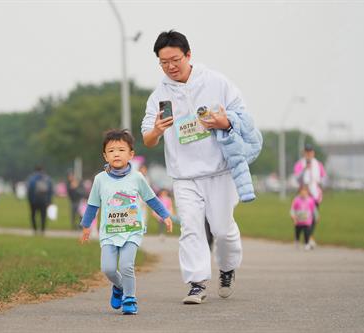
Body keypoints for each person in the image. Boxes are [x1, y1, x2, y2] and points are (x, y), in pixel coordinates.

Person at [141, 30, 262, 304]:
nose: (170, 66)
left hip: (219, 171)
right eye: (163, 62)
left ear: (188, 55)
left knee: (222, 229)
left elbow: (243, 116)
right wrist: (157, 130)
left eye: (175, 60)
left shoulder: (217, 82)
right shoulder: (159, 95)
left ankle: (228, 267)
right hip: (183, 175)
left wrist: (224, 122)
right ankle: (196, 283)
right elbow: (147, 138)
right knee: (191, 227)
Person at [80, 129, 173, 315]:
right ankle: (119, 287)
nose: (116, 154)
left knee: (126, 265)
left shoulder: (137, 177)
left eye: (121, 150)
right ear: (105, 156)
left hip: (132, 230)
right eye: (112, 150)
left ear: (131, 154)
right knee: (107, 268)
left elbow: (151, 198)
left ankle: (130, 298)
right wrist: (86, 227)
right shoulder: (100, 180)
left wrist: (165, 214)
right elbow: (92, 205)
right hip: (109, 232)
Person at [293, 143, 327, 248]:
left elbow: (324, 177)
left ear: (313, 153)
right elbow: (297, 178)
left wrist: (321, 187)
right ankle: (306, 238)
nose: (308, 154)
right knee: (303, 217)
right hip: (303, 194)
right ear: (304, 153)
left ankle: (309, 237)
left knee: (314, 217)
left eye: (310, 152)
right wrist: (305, 169)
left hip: (315, 194)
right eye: (307, 152)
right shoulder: (299, 164)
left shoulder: (318, 164)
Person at [26, 165, 53, 235]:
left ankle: (35, 229)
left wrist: (30, 200)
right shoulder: (47, 178)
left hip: (34, 200)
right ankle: (42, 230)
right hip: (44, 200)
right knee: (43, 216)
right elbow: (50, 191)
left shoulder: (32, 178)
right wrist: (49, 201)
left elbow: (29, 190)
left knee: (33, 215)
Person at [290, 185, 318, 250]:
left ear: (308, 192)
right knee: (298, 232)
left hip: (307, 220)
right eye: (302, 192)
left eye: (305, 192)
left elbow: (314, 209)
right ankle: (297, 241)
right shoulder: (296, 200)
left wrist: (316, 216)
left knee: (307, 232)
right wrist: (293, 217)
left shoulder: (311, 200)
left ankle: (307, 244)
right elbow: (292, 209)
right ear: (299, 192)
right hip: (298, 220)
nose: (303, 193)